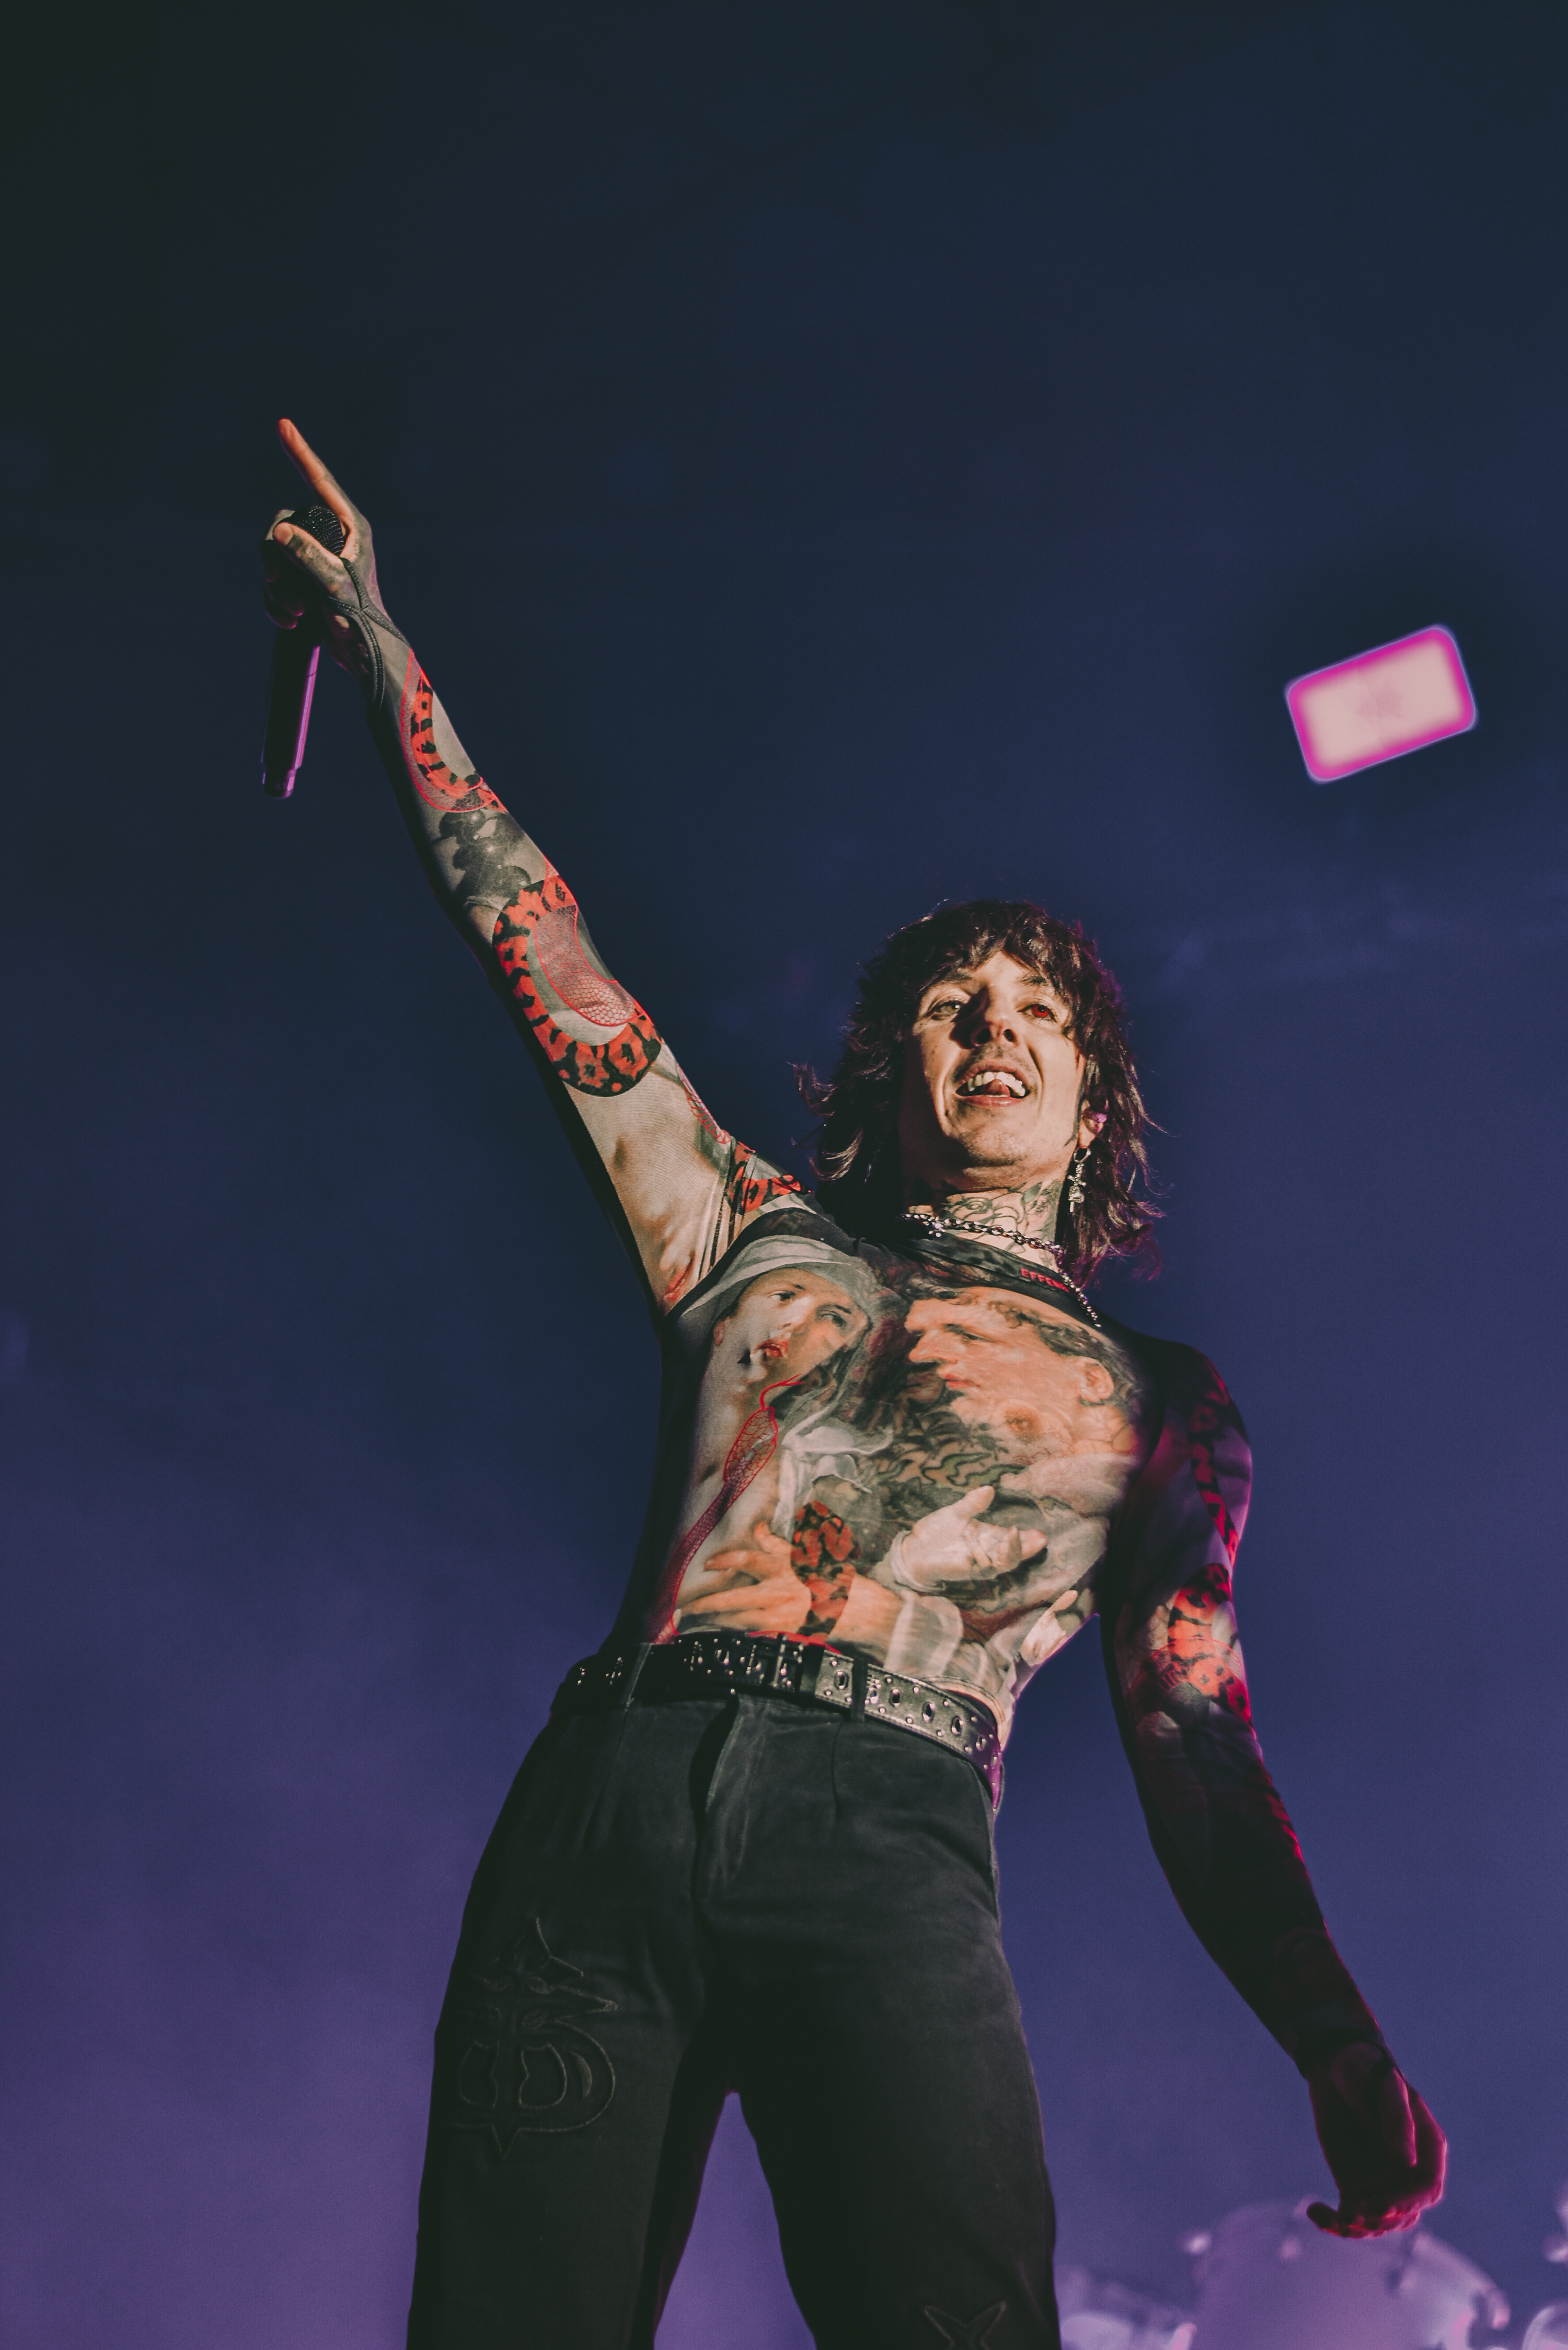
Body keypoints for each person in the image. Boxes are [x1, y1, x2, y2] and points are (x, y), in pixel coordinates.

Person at [260, 419, 1446, 2350]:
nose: (992, 1029)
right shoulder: (745, 1236)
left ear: (1093, 1100)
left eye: (1035, 1011)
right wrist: (386, 648)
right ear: (899, 1067)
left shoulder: (1161, 1402)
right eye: (952, 1007)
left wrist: (1333, 2036)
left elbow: (1196, 1730)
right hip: (613, 1802)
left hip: (888, 1822)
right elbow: (537, 942)